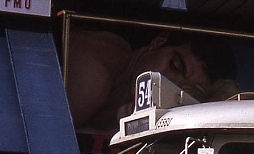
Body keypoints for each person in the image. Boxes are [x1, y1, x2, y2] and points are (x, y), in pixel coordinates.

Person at [64, 28, 239, 130]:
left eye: (185, 90)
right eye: (175, 66)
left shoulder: (122, 76)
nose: (169, 85)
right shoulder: (94, 76)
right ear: (159, 42)